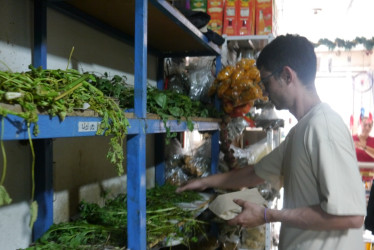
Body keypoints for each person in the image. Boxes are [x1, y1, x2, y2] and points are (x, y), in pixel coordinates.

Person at [177, 34, 366, 250]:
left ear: (287, 75)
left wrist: (267, 215)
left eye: (265, 82)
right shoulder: (301, 131)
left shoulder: (324, 127)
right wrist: (205, 182)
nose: (264, 93)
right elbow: (255, 173)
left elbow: (351, 217)